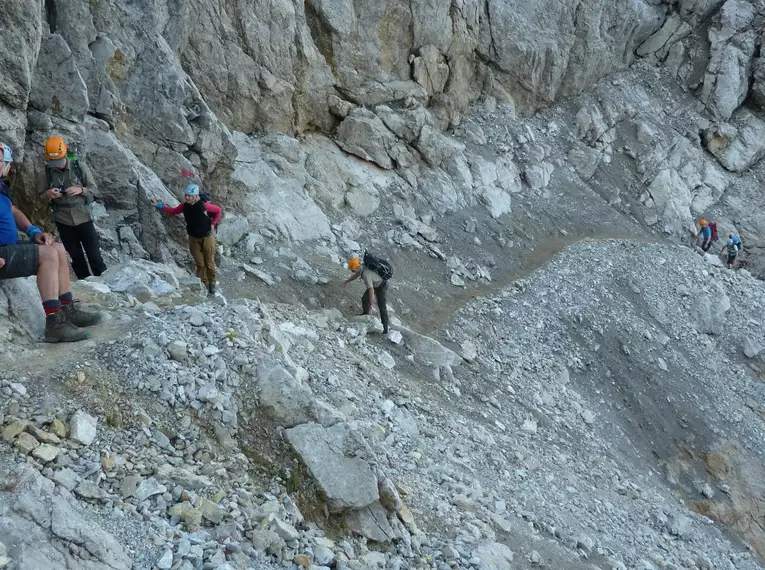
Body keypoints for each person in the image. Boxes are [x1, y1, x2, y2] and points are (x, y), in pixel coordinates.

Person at [0, 142, 102, 342]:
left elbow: (12, 211)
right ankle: (54, 322)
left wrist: (33, 231)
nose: (6, 166)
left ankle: (67, 309)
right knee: (47, 255)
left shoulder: (1, 186)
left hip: (7, 247)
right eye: (4, 162)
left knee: (57, 248)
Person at [41, 136, 106, 280]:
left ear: (64, 154)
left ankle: (105, 283)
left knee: (94, 255)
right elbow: (40, 195)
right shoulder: (47, 172)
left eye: (58, 160)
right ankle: (86, 282)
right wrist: (49, 194)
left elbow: (94, 189)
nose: (56, 164)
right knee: (76, 257)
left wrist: (81, 190)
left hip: (83, 217)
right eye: (53, 161)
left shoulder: (79, 167)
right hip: (63, 220)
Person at [152, 183, 222, 295]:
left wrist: (213, 223)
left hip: (207, 236)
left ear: (195, 196)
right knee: (200, 263)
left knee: (209, 262)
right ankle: (204, 284)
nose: (187, 197)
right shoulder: (184, 206)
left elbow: (218, 210)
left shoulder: (204, 206)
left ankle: (212, 284)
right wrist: (159, 206)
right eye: (186, 195)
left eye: (190, 195)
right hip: (193, 238)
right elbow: (173, 211)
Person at [343, 256, 390, 334]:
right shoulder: (361, 267)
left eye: (352, 270)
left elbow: (371, 290)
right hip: (375, 283)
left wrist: (371, 304)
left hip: (382, 285)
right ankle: (366, 315)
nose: (352, 271)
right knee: (364, 299)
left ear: (354, 268)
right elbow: (356, 275)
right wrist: (348, 281)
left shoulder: (365, 274)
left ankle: (385, 329)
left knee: (382, 306)